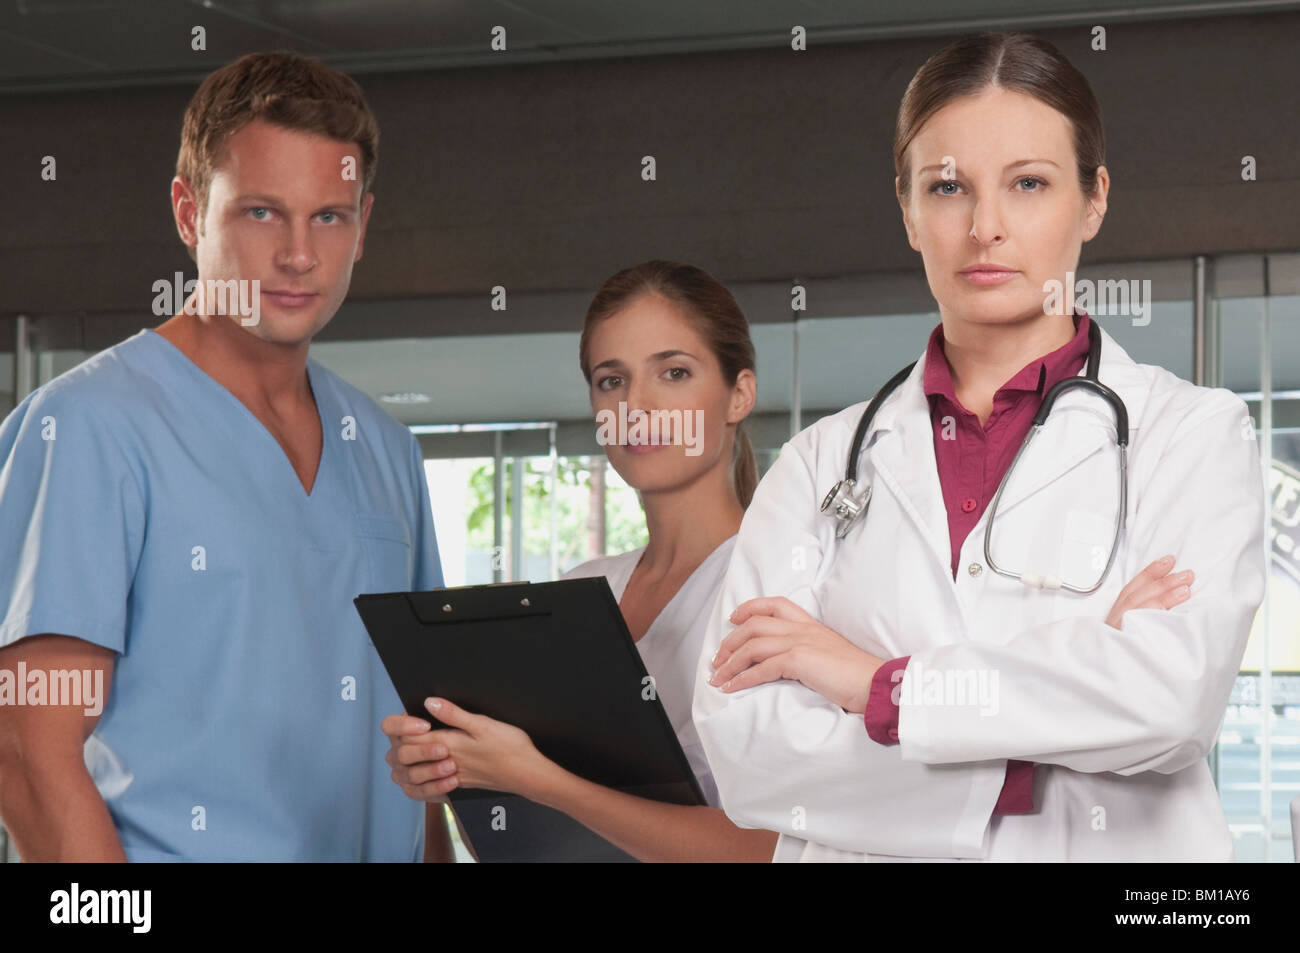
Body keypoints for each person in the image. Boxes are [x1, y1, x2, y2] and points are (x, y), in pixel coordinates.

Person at [692, 32, 1266, 862]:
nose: (985, 226)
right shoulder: (821, 463)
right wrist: (1047, 726)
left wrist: (869, 683)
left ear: (1095, 199)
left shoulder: (1195, 434)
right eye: (947, 186)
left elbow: (1170, 701)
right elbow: (747, 754)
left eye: (1028, 183)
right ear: (907, 209)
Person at [0, 51, 450, 861]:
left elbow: (421, 732)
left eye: (329, 216)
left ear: (363, 225)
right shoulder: (89, 428)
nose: (298, 255)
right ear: (187, 212)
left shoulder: (385, 449)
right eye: (260, 213)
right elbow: (28, 751)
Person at [382, 260, 780, 862]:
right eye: (611, 381)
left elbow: (768, 850)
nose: (638, 406)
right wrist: (456, 773)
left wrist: (539, 779)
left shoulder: (778, 587)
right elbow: (522, 838)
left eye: (673, 372)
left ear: (739, 394)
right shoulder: (580, 591)